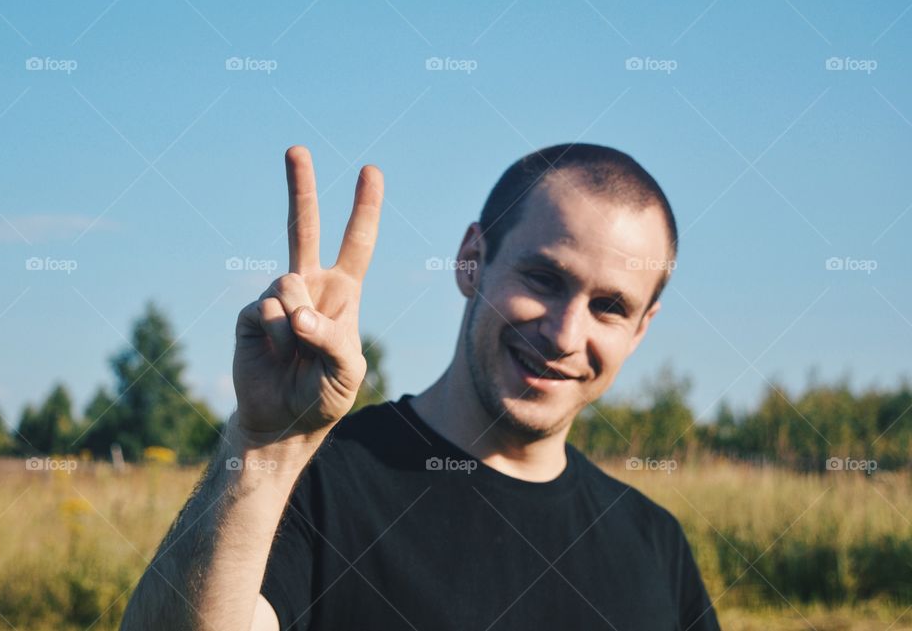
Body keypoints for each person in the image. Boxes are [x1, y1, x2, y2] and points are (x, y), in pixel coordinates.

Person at [121, 143, 721, 630]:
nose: (565, 334)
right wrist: (266, 446)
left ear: (642, 330)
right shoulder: (315, 484)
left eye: (611, 306)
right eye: (544, 277)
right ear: (471, 261)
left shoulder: (653, 544)